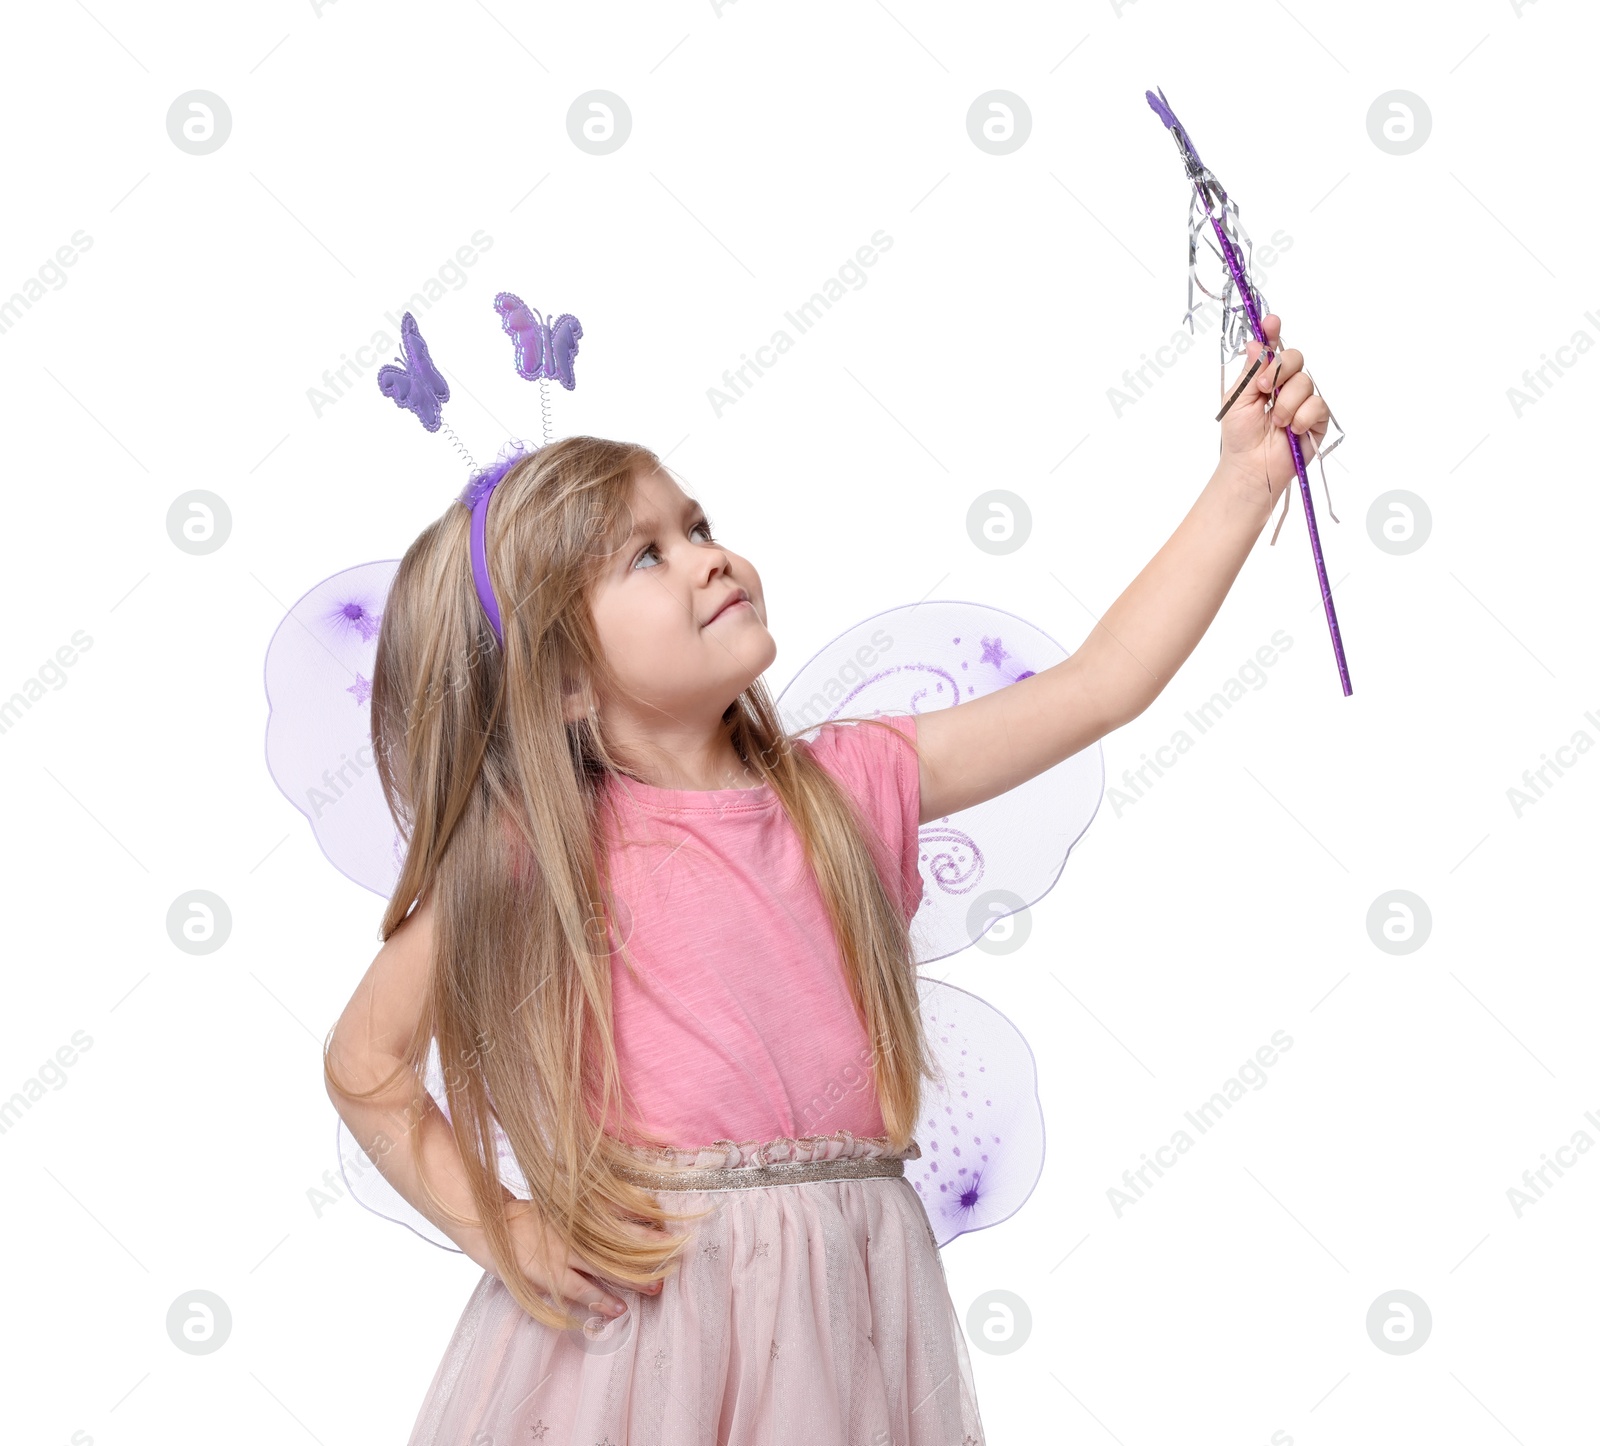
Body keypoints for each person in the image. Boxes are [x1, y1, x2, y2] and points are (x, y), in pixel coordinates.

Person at [324, 314, 1328, 1444]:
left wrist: (1246, 477)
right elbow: (366, 1063)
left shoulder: (847, 783)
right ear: (560, 677)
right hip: (648, 1324)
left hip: (849, 1298)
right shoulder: (538, 853)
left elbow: (1100, 684)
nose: (709, 555)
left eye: (695, 524)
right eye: (645, 554)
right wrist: (500, 1227)